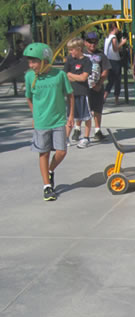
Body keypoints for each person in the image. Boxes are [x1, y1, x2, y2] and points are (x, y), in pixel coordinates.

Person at [24, 42, 74, 201]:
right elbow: (29, 98)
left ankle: (50, 170)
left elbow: (70, 95)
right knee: (44, 153)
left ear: (44, 60)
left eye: (34, 61)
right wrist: (34, 115)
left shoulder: (60, 75)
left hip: (58, 119)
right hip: (41, 122)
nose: (31, 65)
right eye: (30, 62)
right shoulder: (29, 77)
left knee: (61, 151)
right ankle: (47, 186)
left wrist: (71, 116)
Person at [64, 37, 92, 148]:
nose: (70, 52)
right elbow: (65, 75)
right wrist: (76, 76)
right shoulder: (69, 60)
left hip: (83, 92)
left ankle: (86, 137)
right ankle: (66, 138)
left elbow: (83, 77)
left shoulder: (86, 61)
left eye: (72, 50)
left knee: (86, 116)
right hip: (71, 92)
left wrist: (71, 75)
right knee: (70, 116)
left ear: (79, 49)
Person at [84, 31, 110, 141]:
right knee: (84, 108)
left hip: (96, 85)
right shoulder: (81, 54)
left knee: (97, 108)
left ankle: (97, 130)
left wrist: (99, 83)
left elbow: (105, 70)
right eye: (90, 42)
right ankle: (78, 129)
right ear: (85, 42)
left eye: (95, 42)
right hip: (84, 86)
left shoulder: (101, 55)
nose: (92, 44)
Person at [103, 22, 127, 105]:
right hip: (114, 61)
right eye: (117, 28)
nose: (118, 30)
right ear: (114, 28)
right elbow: (115, 49)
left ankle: (104, 97)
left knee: (110, 80)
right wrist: (122, 43)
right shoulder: (113, 37)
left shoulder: (107, 37)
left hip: (108, 60)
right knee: (117, 80)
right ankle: (116, 99)